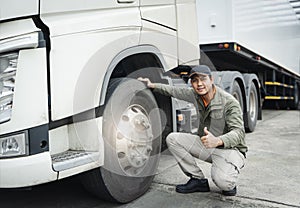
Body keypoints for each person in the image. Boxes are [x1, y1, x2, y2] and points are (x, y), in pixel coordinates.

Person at [138, 65, 247, 196]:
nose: (199, 84)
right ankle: (198, 180)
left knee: (224, 183)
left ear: (211, 80)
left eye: (203, 79)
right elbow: (174, 91)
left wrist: (218, 140)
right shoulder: (195, 95)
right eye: (194, 80)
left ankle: (228, 177)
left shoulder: (229, 102)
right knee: (172, 139)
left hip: (230, 149)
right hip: (207, 145)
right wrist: (152, 85)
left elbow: (239, 133)